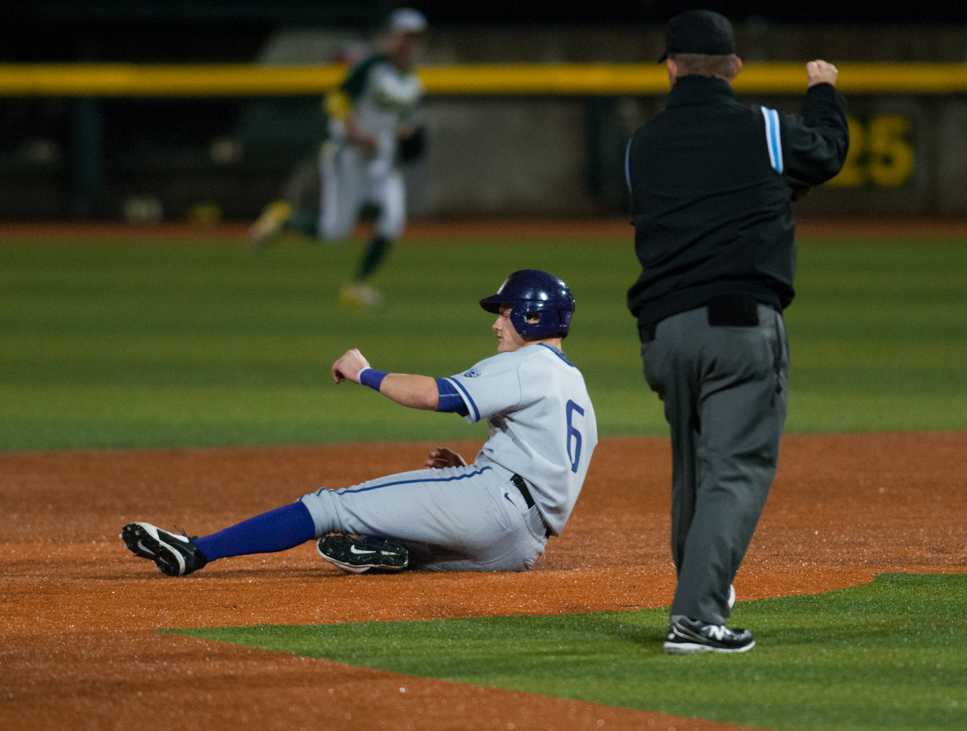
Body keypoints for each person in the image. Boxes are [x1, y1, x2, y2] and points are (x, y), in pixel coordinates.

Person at [120, 270, 597, 576]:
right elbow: (545, 463)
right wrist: (471, 472)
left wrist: (364, 372)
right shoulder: (575, 387)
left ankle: (196, 551)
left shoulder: (526, 364)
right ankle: (385, 551)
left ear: (533, 317)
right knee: (399, 528)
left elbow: (436, 395)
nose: (497, 324)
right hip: (520, 548)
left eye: (508, 314)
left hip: (493, 506)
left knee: (330, 507)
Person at [624, 10, 849, 653]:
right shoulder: (764, 128)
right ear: (735, 67)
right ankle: (696, 617)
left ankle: (703, 591)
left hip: (664, 334)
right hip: (737, 327)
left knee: (693, 472)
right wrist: (824, 91)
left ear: (669, 68)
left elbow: (686, 208)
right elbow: (825, 154)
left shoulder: (641, 146)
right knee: (734, 470)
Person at [249, 7, 429, 307]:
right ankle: (285, 221)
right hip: (349, 154)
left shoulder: (414, 82)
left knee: (393, 221)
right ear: (391, 37)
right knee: (335, 231)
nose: (407, 43)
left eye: (414, 37)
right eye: (403, 36)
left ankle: (357, 286)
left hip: (383, 159)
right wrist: (355, 132)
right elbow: (336, 100)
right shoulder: (371, 68)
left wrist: (405, 135)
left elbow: (401, 122)